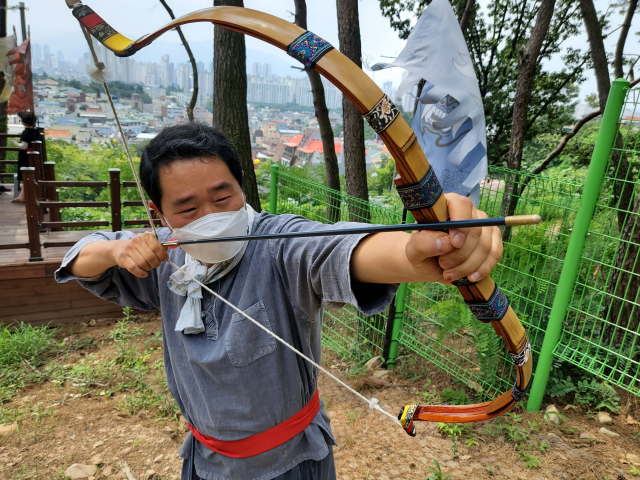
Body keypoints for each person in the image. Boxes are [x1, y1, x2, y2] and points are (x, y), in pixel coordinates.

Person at [55, 123, 503, 480]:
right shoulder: (167, 255)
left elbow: (339, 249)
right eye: (188, 209)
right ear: (160, 214)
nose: (213, 218)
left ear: (241, 185)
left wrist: (417, 251)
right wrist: (118, 250)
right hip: (204, 462)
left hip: (291, 465)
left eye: (223, 195)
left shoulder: (280, 243)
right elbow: (80, 259)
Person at [10, 111, 41, 203]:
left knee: (25, 175)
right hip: (34, 156)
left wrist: (14, 142)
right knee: (28, 176)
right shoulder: (37, 131)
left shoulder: (26, 132)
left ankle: (22, 196)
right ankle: (22, 195)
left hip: (25, 156)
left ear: (24, 122)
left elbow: (24, 146)